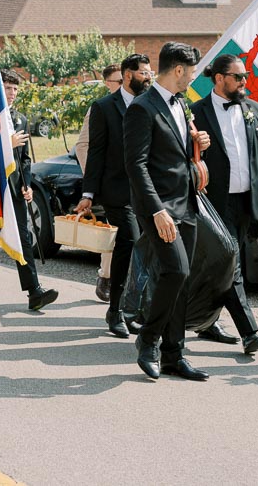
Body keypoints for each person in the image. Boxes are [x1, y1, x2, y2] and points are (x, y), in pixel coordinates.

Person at [191, 54, 258, 355]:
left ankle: (203, 320)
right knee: (232, 262)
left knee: (218, 266)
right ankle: (250, 332)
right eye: (238, 77)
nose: (244, 82)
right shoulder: (196, 113)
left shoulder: (256, 110)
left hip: (249, 202)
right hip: (214, 203)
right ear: (219, 78)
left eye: (245, 76)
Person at [124, 42, 211, 381]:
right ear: (178, 70)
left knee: (183, 279)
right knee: (175, 271)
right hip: (157, 206)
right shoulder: (142, 108)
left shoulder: (181, 103)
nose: (192, 78)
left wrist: (198, 143)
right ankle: (148, 339)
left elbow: (175, 152)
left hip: (186, 201)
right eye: (190, 73)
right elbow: (137, 165)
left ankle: (174, 354)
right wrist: (157, 210)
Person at [0, 70, 58, 311]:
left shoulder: (20, 119)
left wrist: (26, 184)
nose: (13, 93)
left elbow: (25, 158)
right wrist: (7, 143)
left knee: (23, 236)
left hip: (14, 189)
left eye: (16, 89)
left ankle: (33, 291)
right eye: (8, 88)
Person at [75, 55, 151, 337]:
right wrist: (88, 193)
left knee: (148, 248)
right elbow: (95, 153)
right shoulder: (104, 108)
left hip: (148, 191)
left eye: (150, 71)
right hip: (117, 191)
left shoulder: (152, 104)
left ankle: (137, 309)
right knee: (128, 243)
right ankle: (115, 310)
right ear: (128, 75)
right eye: (144, 73)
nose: (149, 77)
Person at [75, 64, 122, 301]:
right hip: (109, 184)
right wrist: (94, 180)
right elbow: (83, 146)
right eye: (119, 81)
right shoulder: (100, 109)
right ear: (108, 84)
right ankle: (106, 276)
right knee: (114, 232)